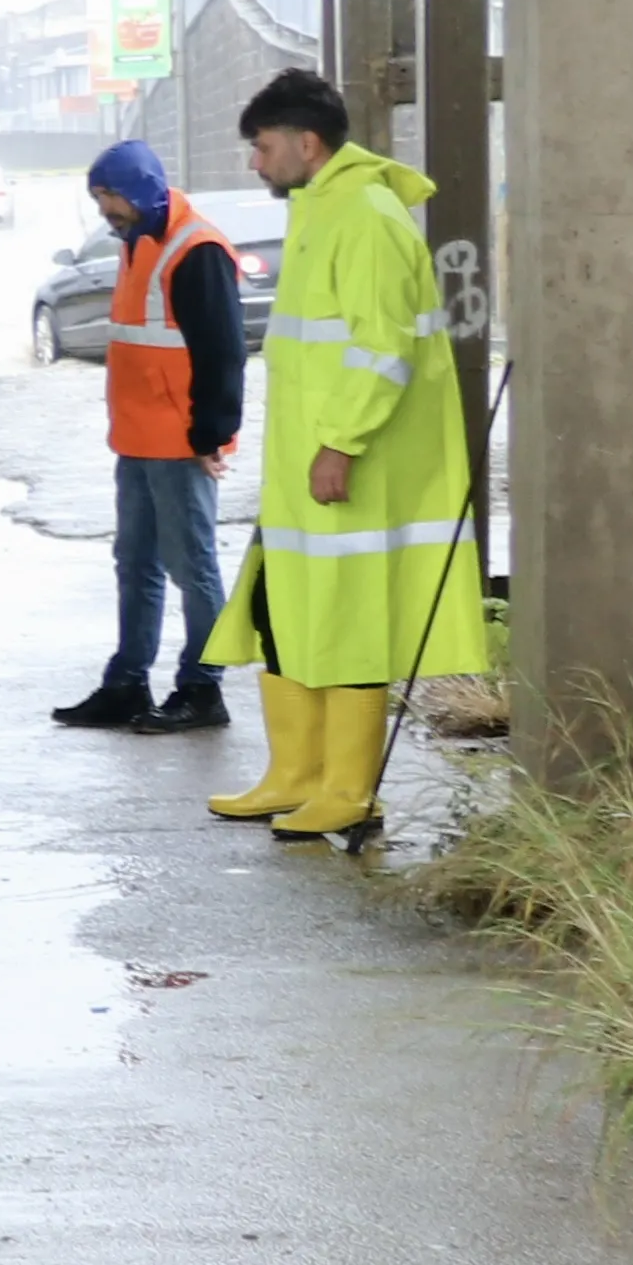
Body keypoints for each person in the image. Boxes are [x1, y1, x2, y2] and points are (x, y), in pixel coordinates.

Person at [201, 68, 484, 844]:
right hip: (309, 468)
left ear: (306, 142)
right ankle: (295, 777)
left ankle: (349, 792)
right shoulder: (325, 209)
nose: (255, 163)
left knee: (348, 622)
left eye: (261, 147)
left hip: (349, 467)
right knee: (281, 613)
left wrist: (341, 443)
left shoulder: (362, 214)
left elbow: (382, 347)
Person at [51, 136, 243, 735]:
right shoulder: (138, 240)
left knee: (194, 567)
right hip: (137, 438)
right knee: (135, 562)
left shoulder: (196, 248)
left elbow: (223, 352)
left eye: (110, 197)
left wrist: (211, 434)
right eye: (98, 198)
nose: (104, 209)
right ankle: (127, 683)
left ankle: (202, 689)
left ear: (137, 191)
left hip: (180, 441)